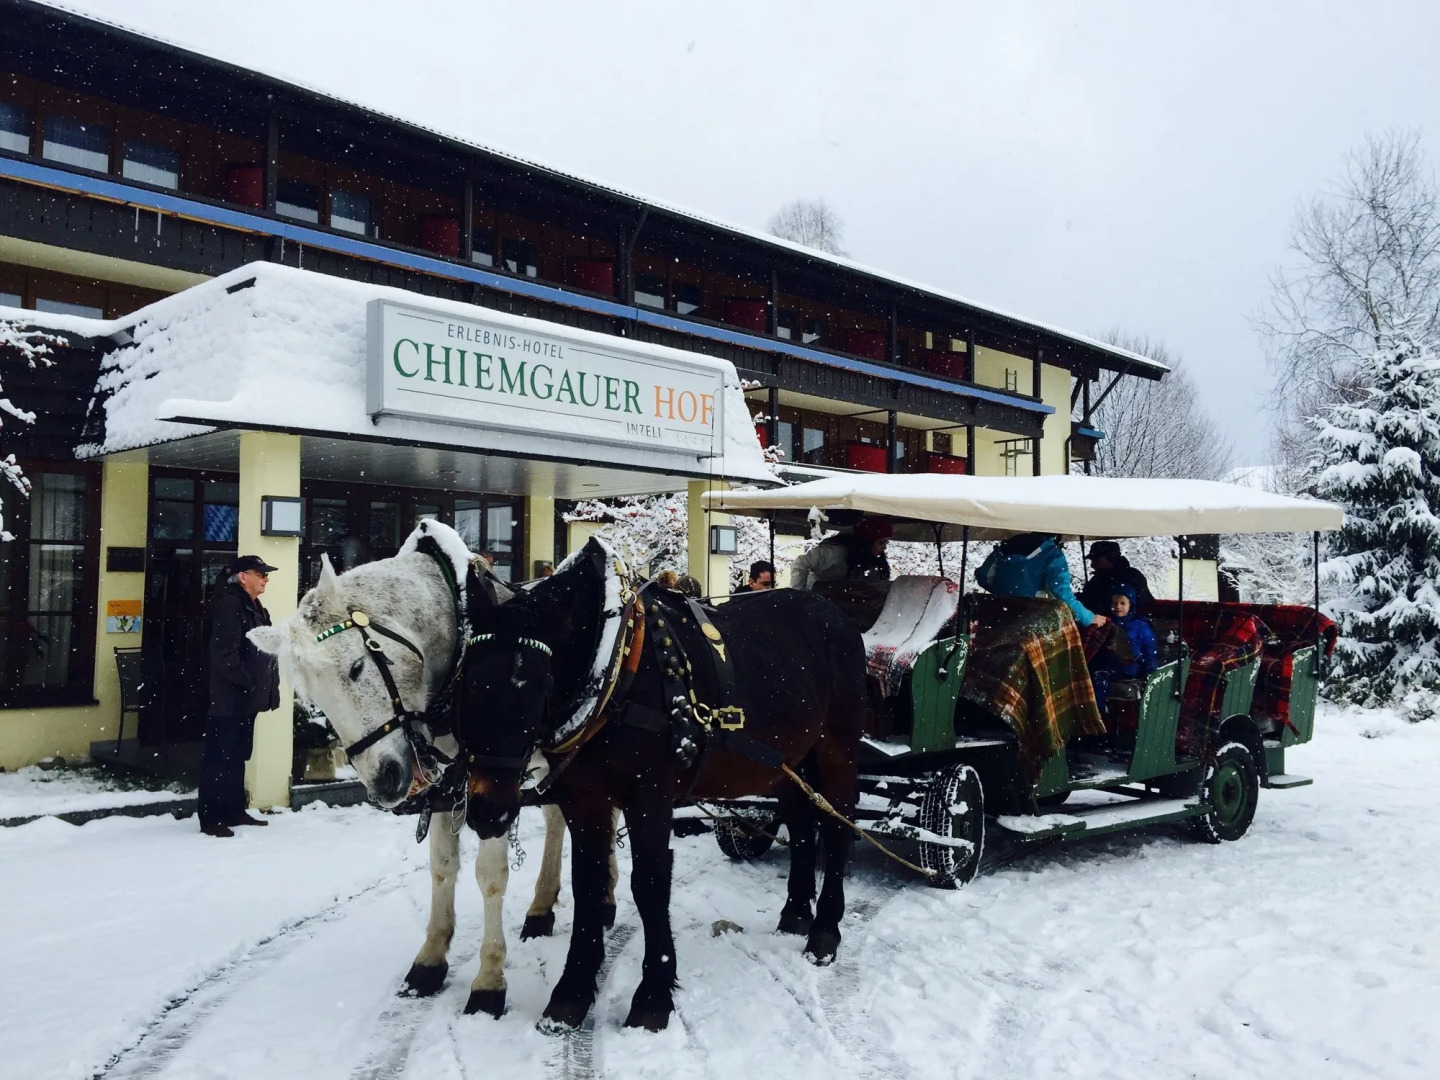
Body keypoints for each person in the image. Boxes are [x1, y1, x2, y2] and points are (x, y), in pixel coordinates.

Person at [200, 555, 281, 837]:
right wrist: (250, 682)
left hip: (247, 700)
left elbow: (265, 648)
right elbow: (224, 657)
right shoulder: (230, 605)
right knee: (219, 758)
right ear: (242, 577)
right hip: (229, 699)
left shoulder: (255, 606)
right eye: (260, 573)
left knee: (237, 756)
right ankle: (211, 818)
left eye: (266, 574)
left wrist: (264, 686)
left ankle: (234, 810)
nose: (266, 578)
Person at [976, 532, 1106, 627]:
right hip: (1031, 618)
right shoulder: (1052, 553)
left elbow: (983, 575)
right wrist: (1089, 618)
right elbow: (1060, 593)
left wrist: (1004, 591)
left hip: (999, 614)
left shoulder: (1004, 548)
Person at [1088, 583, 1158, 707]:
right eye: (1114, 603)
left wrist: (1149, 674)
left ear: (1131, 605)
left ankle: (1101, 713)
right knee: (1095, 679)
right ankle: (1098, 712)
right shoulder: (1106, 623)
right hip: (1108, 667)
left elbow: (1150, 651)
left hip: (1130, 668)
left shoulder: (1141, 626)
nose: (1118, 606)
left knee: (1099, 679)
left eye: (1122, 603)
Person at [788, 516, 892, 590]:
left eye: (886, 542)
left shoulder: (873, 562)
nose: (885, 547)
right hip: (816, 600)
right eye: (881, 542)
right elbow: (800, 564)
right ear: (868, 541)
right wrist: (797, 595)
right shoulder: (835, 552)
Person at [1079, 540, 1155, 614]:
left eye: (1096, 560)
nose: (1092, 565)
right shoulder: (1098, 578)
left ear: (1111, 557)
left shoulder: (1130, 577)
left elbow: (1145, 604)